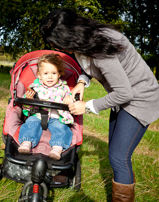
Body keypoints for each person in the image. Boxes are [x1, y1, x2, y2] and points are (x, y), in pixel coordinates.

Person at [40, 9, 159, 201]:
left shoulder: (102, 46)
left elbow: (124, 92)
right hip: (123, 98)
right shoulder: (84, 39)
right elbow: (86, 66)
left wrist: (87, 106)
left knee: (119, 157)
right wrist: (81, 81)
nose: (56, 47)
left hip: (140, 99)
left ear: (69, 36)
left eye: (57, 43)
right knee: (117, 154)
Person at [18, 53, 74, 160]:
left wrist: (68, 98)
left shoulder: (63, 88)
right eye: (46, 73)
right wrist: (29, 100)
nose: (50, 77)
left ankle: (57, 147)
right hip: (38, 114)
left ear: (59, 74)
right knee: (31, 123)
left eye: (53, 73)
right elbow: (26, 107)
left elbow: (69, 97)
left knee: (61, 128)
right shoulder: (35, 88)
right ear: (39, 75)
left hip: (56, 116)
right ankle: (26, 142)